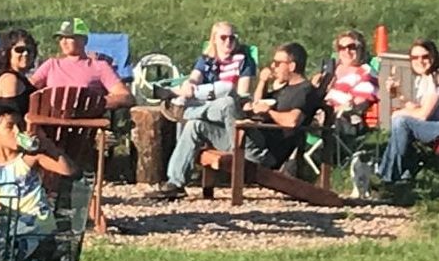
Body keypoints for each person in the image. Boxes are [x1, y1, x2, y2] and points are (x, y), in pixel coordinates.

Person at [152, 42, 317, 200]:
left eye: (277, 63)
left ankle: (186, 111)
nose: (273, 66)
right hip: (247, 138)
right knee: (197, 125)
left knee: (227, 104)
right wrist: (262, 83)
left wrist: (269, 112)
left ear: (292, 66)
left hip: (263, 152)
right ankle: (175, 183)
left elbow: (293, 121)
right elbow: (259, 102)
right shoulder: (284, 88)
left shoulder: (305, 91)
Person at [0, 105, 77, 261]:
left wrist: (45, 144)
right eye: (10, 127)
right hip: (9, 222)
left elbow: (68, 170)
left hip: (35, 222)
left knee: (6, 260)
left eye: (20, 126)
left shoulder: (29, 158)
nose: (17, 131)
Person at [160, 21, 256, 122]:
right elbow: (194, 78)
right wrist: (189, 84)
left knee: (227, 87)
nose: (228, 41)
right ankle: (182, 104)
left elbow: (242, 94)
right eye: (223, 37)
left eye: (232, 38)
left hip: (230, 107)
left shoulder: (244, 61)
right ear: (214, 39)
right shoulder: (207, 60)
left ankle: (176, 97)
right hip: (206, 104)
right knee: (188, 87)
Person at [29, 19, 134, 110]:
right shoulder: (52, 65)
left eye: (69, 37)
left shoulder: (100, 67)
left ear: (83, 40)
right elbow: (28, 88)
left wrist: (96, 102)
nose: (63, 42)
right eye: (61, 38)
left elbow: (125, 96)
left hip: (85, 124)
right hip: (50, 121)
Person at [376, 38, 439, 186]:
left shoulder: (436, 78)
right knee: (401, 122)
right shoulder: (424, 79)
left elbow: (423, 115)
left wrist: (400, 114)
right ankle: (393, 176)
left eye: (425, 57)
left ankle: (390, 177)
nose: (420, 61)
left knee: (401, 122)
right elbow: (418, 109)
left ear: (433, 57)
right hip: (433, 126)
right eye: (415, 57)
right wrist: (398, 94)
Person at [322, 30, 378, 138]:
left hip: (342, 118)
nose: (346, 51)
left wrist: (331, 109)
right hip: (319, 111)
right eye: (342, 48)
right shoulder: (331, 69)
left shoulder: (365, 72)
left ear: (360, 49)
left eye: (351, 47)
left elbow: (359, 103)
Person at [0, 29, 38, 117]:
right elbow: (9, 117)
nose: (25, 54)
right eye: (19, 50)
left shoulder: (20, 78)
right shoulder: (9, 80)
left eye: (29, 50)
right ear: (7, 52)